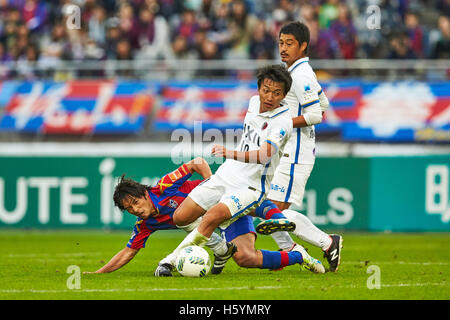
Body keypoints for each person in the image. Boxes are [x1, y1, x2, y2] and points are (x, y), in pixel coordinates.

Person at [169, 64, 325, 274]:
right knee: (182, 218)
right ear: (258, 88)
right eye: (266, 90)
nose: (270, 97)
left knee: (212, 217)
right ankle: (234, 245)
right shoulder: (253, 103)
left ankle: (170, 261)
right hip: (227, 176)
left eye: (277, 93)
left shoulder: (283, 122)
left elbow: (263, 156)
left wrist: (228, 152)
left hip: (249, 188)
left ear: (285, 95)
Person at [259, 21, 343, 272]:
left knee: (271, 211)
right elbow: (324, 102)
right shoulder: (296, 73)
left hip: (295, 152)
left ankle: (325, 243)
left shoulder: (301, 75)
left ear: (303, 46)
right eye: (281, 43)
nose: (283, 48)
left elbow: (317, 114)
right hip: (287, 150)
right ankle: (295, 250)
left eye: (289, 43)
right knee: (266, 209)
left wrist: (282, 121)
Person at [83, 157, 236, 275]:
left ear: (144, 193)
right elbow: (128, 252)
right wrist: (99, 273)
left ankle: (222, 247)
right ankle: (222, 250)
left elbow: (197, 163)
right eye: (129, 209)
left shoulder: (164, 187)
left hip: (224, 199)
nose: (135, 209)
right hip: (211, 221)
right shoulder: (144, 224)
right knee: (245, 258)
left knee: (183, 219)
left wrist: (210, 188)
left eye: (135, 202)